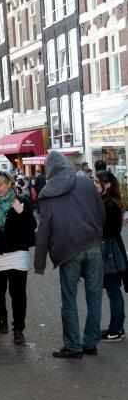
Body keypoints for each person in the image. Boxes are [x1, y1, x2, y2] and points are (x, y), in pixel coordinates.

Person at [35, 150, 105, 358]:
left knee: (69, 299)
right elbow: (100, 211)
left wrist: (39, 263)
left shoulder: (47, 194)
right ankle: (91, 342)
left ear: (49, 170)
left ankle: (73, 346)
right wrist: (96, 233)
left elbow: (44, 231)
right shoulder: (85, 182)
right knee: (95, 297)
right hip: (93, 245)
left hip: (67, 252)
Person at [0, 171, 36, 345]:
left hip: (17, 253)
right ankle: (1, 318)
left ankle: (18, 329)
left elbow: (31, 227)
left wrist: (21, 213)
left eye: (1, 184)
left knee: (18, 294)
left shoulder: (22, 201)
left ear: (9, 184)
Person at [94, 170, 127, 341]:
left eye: (96, 182)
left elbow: (107, 230)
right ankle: (117, 328)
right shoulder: (108, 201)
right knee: (114, 291)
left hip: (110, 252)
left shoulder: (109, 204)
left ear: (107, 184)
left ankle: (115, 330)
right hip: (112, 250)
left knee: (114, 291)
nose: (94, 184)